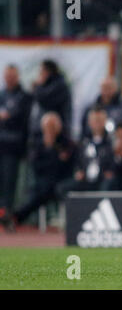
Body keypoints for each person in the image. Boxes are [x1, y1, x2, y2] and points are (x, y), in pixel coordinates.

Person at [11, 113, 76, 227]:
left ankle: (16, 216)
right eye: (48, 127)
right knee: (39, 189)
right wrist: (48, 148)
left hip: (62, 180)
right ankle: (16, 216)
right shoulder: (38, 144)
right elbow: (37, 166)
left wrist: (53, 149)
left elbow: (67, 166)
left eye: (53, 126)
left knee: (43, 190)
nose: (50, 130)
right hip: (43, 181)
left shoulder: (67, 142)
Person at [0, 65, 32, 225]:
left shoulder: (24, 96)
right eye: (7, 76)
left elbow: (19, 118)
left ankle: (7, 214)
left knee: (9, 183)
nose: (9, 79)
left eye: (12, 76)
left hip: (13, 148)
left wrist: (8, 117)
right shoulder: (2, 94)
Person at [58, 106, 115, 195]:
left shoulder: (111, 141)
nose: (97, 123)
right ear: (89, 122)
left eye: (99, 120)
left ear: (105, 121)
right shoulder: (83, 142)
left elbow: (114, 161)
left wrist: (110, 171)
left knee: (108, 186)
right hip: (85, 179)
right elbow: (77, 160)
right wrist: (78, 171)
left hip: (102, 179)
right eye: (94, 120)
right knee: (62, 188)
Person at [30, 60, 72, 144]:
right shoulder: (48, 86)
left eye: (41, 71)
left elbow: (44, 100)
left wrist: (37, 87)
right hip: (43, 133)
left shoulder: (59, 85)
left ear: (48, 72)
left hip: (57, 134)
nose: (39, 75)